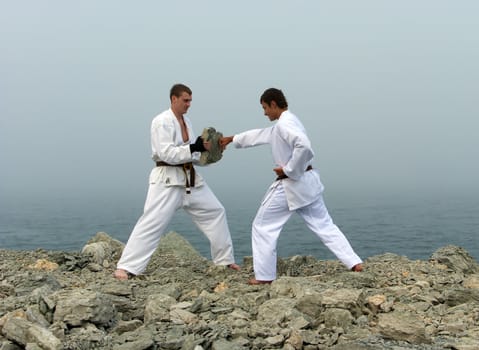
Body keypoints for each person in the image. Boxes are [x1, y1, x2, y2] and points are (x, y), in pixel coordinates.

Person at [220, 88, 362, 285]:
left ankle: (264, 276)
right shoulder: (288, 121)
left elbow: (303, 145)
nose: (264, 113)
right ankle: (354, 262)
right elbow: (261, 135)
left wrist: (288, 170)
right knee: (324, 225)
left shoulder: (285, 124)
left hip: (291, 186)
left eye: (264, 108)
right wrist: (232, 139)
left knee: (262, 226)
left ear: (273, 104)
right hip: (308, 184)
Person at [114, 83, 240, 280]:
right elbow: (166, 153)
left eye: (190, 101)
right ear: (174, 99)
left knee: (215, 211)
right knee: (152, 221)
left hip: (189, 178)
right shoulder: (161, 121)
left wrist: (209, 153)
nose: (188, 104)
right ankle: (126, 267)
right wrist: (193, 147)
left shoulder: (187, 121)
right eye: (185, 100)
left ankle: (224, 260)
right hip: (167, 180)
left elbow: (191, 154)